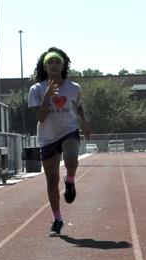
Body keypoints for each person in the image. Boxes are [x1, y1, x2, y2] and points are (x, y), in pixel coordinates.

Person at [28, 47, 91, 236]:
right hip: (48, 137)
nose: (54, 65)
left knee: (72, 159)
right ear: (45, 67)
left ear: (63, 66)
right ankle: (57, 218)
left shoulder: (74, 87)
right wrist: (48, 95)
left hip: (69, 131)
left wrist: (85, 122)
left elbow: (78, 106)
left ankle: (70, 179)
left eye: (57, 62)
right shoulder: (36, 89)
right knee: (52, 179)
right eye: (50, 62)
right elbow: (40, 117)